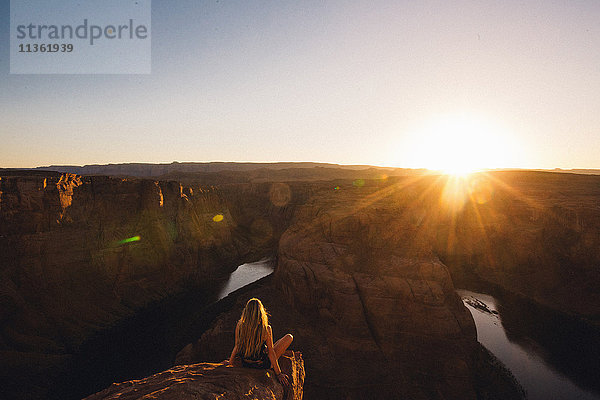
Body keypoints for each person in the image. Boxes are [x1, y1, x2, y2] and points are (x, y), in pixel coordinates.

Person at [226, 298, 293, 387]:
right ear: (261, 312)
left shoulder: (240, 325)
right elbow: (271, 352)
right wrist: (278, 374)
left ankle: (262, 349)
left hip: (245, 363)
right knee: (289, 337)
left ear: (246, 311)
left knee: (270, 347)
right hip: (262, 365)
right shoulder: (266, 329)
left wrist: (230, 362)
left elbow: (237, 346)